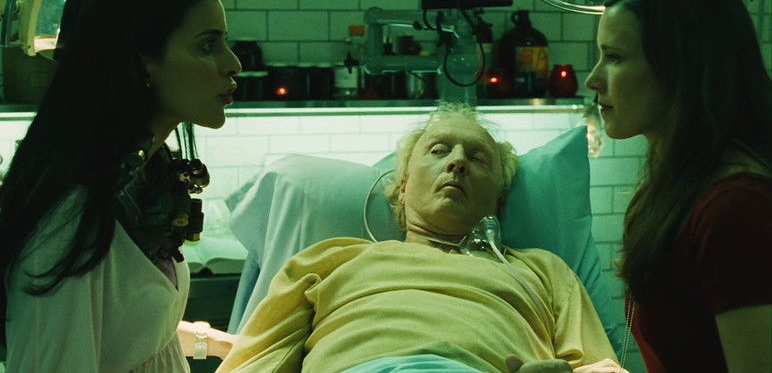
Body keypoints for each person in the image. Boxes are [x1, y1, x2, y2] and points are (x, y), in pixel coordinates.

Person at [216, 103, 623, 373]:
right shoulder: (327, 262)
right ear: (402, 187)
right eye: (439, 151)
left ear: (498, 199)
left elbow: (601, 368)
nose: (458, 162)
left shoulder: (544, 272)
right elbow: (255, 365)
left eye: (477, 157)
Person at [0, 0, 242, 371]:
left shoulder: (143, 178)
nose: (233, 63)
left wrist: (215, 342)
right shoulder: (69, 221)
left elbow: (124, 329)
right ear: (142, 60)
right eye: (206, 45)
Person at [585, 0, 772, 372]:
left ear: (680, 66)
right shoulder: (676, 189)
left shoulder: (735, 208)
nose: (592, 79)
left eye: (614, 57)